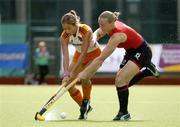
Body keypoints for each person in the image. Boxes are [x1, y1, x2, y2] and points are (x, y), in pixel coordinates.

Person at [77, 10, 159, 121]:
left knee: (121, 81)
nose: (101, 27)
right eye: (99, 24)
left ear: (111, 23)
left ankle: (124, 113)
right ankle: (147, 71)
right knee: (121, 83)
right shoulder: (109, 26)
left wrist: (84, 73)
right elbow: (99, 31)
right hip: (130, 51)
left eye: (103, 25)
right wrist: (94, 38)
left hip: (143, 52)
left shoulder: (117, 36)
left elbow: (101, 58)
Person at [60, 10, 101, 120]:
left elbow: (84, 54)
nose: (67, 31)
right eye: (64, 29)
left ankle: (86, 100)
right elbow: (66, 56)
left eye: (69, 28)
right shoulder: (64, 36)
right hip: (78, 56)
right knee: (67, 84)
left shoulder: (85, 30)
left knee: (84, 76)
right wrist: (66, 73)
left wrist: (73, 72)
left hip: (94, 55)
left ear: (75, 24)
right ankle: (84, 106)